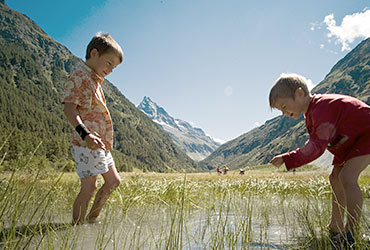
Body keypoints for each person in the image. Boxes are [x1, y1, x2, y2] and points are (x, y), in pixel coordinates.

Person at [268, 73, 370, 245]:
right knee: (335, 178)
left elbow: (316, 148)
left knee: (347, 177)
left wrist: (287, 158)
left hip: (366, 134)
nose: (284, 113)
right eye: (281, 110)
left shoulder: (322, 108)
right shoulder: (312, 113)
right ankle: (335, 226)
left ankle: (351, 232)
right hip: (351, 142)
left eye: (284, 106)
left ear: (300, 93)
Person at [62, 33, 124, 225]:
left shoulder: (95, 80)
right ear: (94, 53)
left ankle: (91, 222)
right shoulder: (80, 76)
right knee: (89, 187)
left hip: (100, 144)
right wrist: (85, 134)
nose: (111, 70)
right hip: (86, 142)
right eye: (109, 63)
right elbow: (69, 107)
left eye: (114, 67)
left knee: (114, 181)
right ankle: (76, 229)